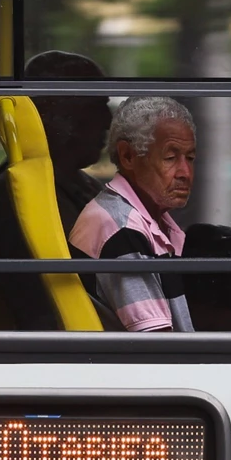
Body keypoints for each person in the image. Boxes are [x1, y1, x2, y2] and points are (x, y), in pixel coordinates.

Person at [0, 50, 112, 330]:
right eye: (95, 105)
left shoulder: (75, 183)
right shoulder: (25, 193)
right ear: (50, 112)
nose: (108, 121)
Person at [69, 97, 197, 332]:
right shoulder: (120, 228)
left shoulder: (148, 222)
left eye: (190, 158)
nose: (185, 173)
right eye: (170, 158)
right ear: (128, 156)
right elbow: (156, 347)